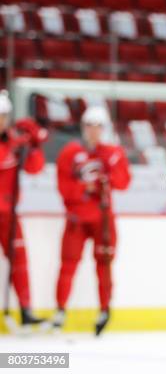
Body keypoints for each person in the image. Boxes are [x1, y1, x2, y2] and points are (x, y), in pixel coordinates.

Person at [52, 106, 131, 335]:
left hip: (103, 219)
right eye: (89, 125)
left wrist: (106, 177)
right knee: (68, 264)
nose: (93, 131)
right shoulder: (70, 152)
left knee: (104, 266)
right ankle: (60, 310)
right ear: (83, 127)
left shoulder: (112, 152)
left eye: (98, 126)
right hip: (77, 218)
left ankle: (104, 309)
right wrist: (86, 187)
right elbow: (64, 188)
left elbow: (123, 182)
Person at [0, 90, 48, 327]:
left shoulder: (13, 141)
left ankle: (26, 309)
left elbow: (34, 168)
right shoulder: (11, 144)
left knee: (20, 259)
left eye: (4, 115)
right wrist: (18, 145)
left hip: (9, 213)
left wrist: (35, 145)